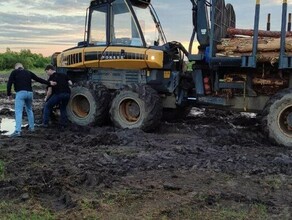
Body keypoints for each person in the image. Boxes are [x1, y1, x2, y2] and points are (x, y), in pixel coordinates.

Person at [7, 63, 55, 137]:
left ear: (16, 68)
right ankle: (32, 128)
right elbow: (38, 79)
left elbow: (9, 83)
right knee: (29, 110)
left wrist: (9, 94)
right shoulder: (28, 72)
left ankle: (17, 131)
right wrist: (49, 82)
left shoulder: (14, 72)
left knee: (18, 111)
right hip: (29, 93)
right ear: (22, 67)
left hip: (20, 93)